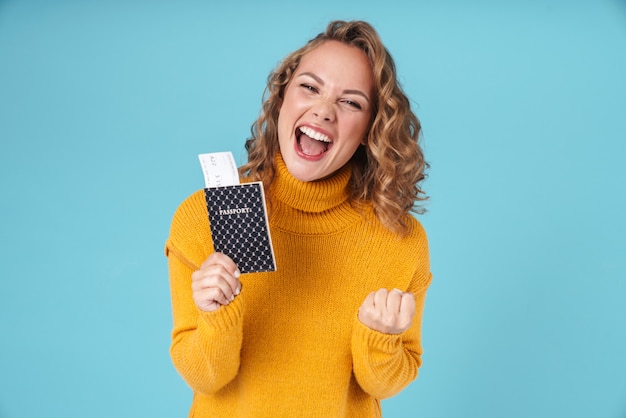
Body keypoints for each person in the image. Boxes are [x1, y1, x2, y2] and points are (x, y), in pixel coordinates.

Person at [165, 19, 432, 417]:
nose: (324, 111)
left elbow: (383, 386)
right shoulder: (202, 217)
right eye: (310, 87)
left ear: (370, 130)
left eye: (351, 102)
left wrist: (382, 337)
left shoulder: (400, 238)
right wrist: (215, 313)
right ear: (281, 98)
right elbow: (206, 378)